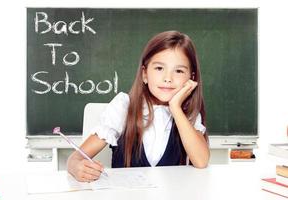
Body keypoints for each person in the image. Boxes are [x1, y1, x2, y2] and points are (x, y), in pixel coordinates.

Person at [67, 30, 210, 182]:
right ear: (145, 74)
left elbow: (201, 161)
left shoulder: (187, 114)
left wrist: (175, 108)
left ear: (191, 78)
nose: (168, 78)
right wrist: (76, 167)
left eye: (179, 71)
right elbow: (74, 159)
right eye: (159, 68)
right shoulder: (124, 106)